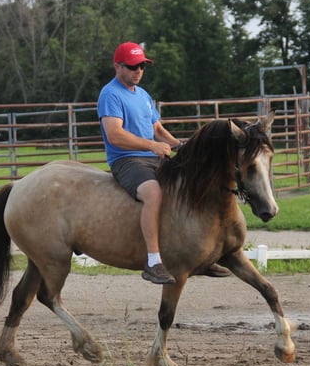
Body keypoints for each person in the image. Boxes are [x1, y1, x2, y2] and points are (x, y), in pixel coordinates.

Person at [97, 41, 230, 284]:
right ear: (117, 66)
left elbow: (156, 129)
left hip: (151, 156)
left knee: (192, 181)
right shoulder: (110, 94)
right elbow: (115, 135)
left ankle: (199, 254)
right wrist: (151, 146)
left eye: (142, 67)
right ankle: (153, 261)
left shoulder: (144, 95)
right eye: (133, 66)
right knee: (153, 193)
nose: (138, 71)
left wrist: (181, 146)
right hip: (126, 160)